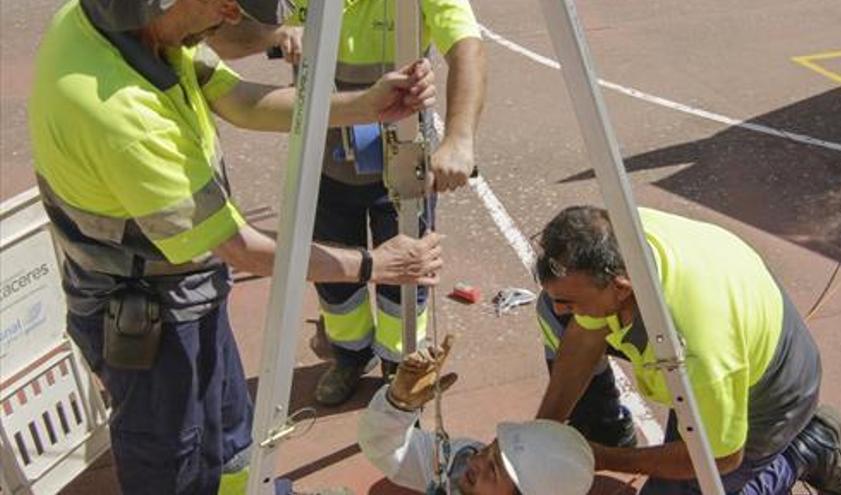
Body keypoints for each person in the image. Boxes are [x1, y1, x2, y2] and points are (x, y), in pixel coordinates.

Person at [27, 0, 440, 493]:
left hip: (186, 284)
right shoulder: (121, 114)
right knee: (172, 459)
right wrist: (374, 264)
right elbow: (240, 247)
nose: (230, 20)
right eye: (225, 5)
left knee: (228, 434)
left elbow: (239, 99)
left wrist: (364, 105)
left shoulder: (134, 26)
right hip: (146, 314)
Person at [220, 0, 488, 407]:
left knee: (406, 274)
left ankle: (401, 364)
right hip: (325, 163)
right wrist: (274, 35)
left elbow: (468, 47)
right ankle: (350, 355)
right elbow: (220, 32)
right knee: (333, 272)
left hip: (401, 163)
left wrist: (459, 139)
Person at [532, 205, 841, 494]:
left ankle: (808, 447)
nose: (563, 308)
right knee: (552, 313)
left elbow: (720, 458)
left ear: (621, 289)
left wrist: (607, 459)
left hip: (769, 393)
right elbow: (582, 340)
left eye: (570, 301)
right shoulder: (611, 246)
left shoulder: (699, 352)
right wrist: (539, 436)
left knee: (701, 482)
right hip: (723, 337)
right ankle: (606, 426)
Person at [358, 336, 595, 495]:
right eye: (488, 449)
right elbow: (390, 452)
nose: (475, 461)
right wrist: (398, 405)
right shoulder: (463, 464)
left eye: (493, 471)